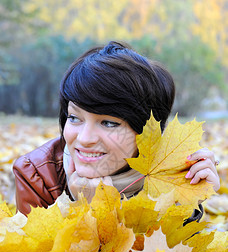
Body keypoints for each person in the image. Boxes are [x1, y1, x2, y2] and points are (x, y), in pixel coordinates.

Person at [13, 41, 220, 219]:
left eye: (108, 123)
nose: (84, 139)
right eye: (75, 118)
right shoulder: (37, 176)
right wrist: (88, 211)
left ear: (146, 132)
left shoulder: (171, 173)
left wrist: (189, 203)